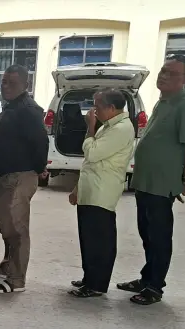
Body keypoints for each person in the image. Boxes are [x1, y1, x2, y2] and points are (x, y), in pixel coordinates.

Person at [118, 54, 185, 306]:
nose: (164, 76)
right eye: (163, 71)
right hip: (146, 181)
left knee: (159, 236)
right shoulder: (163, 102)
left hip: (162, 184)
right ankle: (147, 278)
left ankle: (155, 287)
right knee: (147, 233)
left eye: (173, 73)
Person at [0, 65, 48, 294]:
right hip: (4, 176)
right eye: (4, 82)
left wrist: (37, 169)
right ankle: (7, 266)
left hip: (18, 175)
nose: (6, 87)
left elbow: (41, 142)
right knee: (5, 226)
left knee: (16, 229)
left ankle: (17, 279)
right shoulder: (13, 107)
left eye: (12, 83)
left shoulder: (29, 110)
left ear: (25, 86)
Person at [68, 89, 136, 298]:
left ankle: (97, 284)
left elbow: (93, 152)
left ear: (111, 108)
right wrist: (78, 187)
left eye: (97, 106)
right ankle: (90, 277)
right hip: (91, 189)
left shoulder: (122, 128)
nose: (94, 111)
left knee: (99, 240)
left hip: (102, 191)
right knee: (88, 238)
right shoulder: (108, 126)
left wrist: (90, 128)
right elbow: (90, 162)